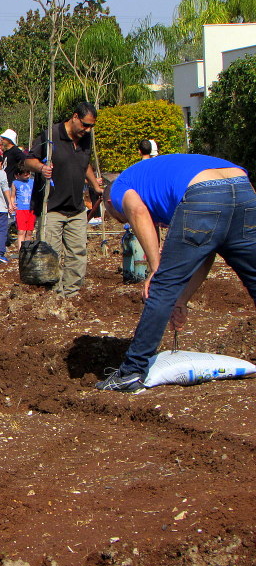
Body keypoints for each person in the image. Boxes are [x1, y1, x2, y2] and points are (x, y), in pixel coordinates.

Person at [96, 154, 255, 392]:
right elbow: (206, 251)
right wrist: (182, 300)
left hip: (202, 191)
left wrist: (156, 270)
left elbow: (138, 212)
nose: (124, 222)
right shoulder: (159, 185)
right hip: (244, 188)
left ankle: (131, 372)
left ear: (109, 204)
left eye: (120, 220)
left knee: (161, 288)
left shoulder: (118, 188)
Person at [24, 102, 103, 297]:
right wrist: (41, 168)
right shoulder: (49, 135)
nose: (88, 129)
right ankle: (54, 294)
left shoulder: (85, 139)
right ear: (75, 117)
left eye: (91, 126)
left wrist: (95, 186)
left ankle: (72, 293)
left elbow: (85, 165)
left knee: (78, 253)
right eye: (85, 124)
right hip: (52, 208)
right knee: (51, 254)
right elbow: (27, 161)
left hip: (76, 208)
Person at [11, 167, 35, 249]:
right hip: (21, 209)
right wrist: (12, 204)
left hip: (31, 209)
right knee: (21, 231)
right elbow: (12, 196)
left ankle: (27, 249)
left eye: (28, 173)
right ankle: (21, 250)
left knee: (29, 232)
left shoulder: (33, 182)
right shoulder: (15, 183)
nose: (27, 175)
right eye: (24, 174)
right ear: (18, 175)